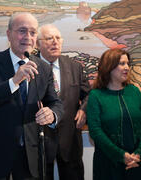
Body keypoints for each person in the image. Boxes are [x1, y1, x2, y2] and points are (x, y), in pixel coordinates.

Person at [0, 13, 63, 180]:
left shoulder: (43, 67)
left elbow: (55, 102)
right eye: (22, 31)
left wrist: (52, 114)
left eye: (33, 32)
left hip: (30, 155)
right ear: (8, 34)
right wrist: (13, 82)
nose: (28, 37)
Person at [87, 49, 141, 180]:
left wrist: (139, 153)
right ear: (109, 67)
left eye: (128, 63)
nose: (127, 67)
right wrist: (121, 155)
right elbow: (95, 131)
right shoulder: (96, 95)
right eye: (122, 63)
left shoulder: (134, 91)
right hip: (109, 164)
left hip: (138, 161)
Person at [36, 24, 90, 180]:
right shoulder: (30, 66)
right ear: (38, 44)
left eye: (58, 38)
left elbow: (89, 94)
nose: (55, 42)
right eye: (49, 38)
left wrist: (83, 109)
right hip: (40, 139)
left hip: (70, 137)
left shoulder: (74, 67)